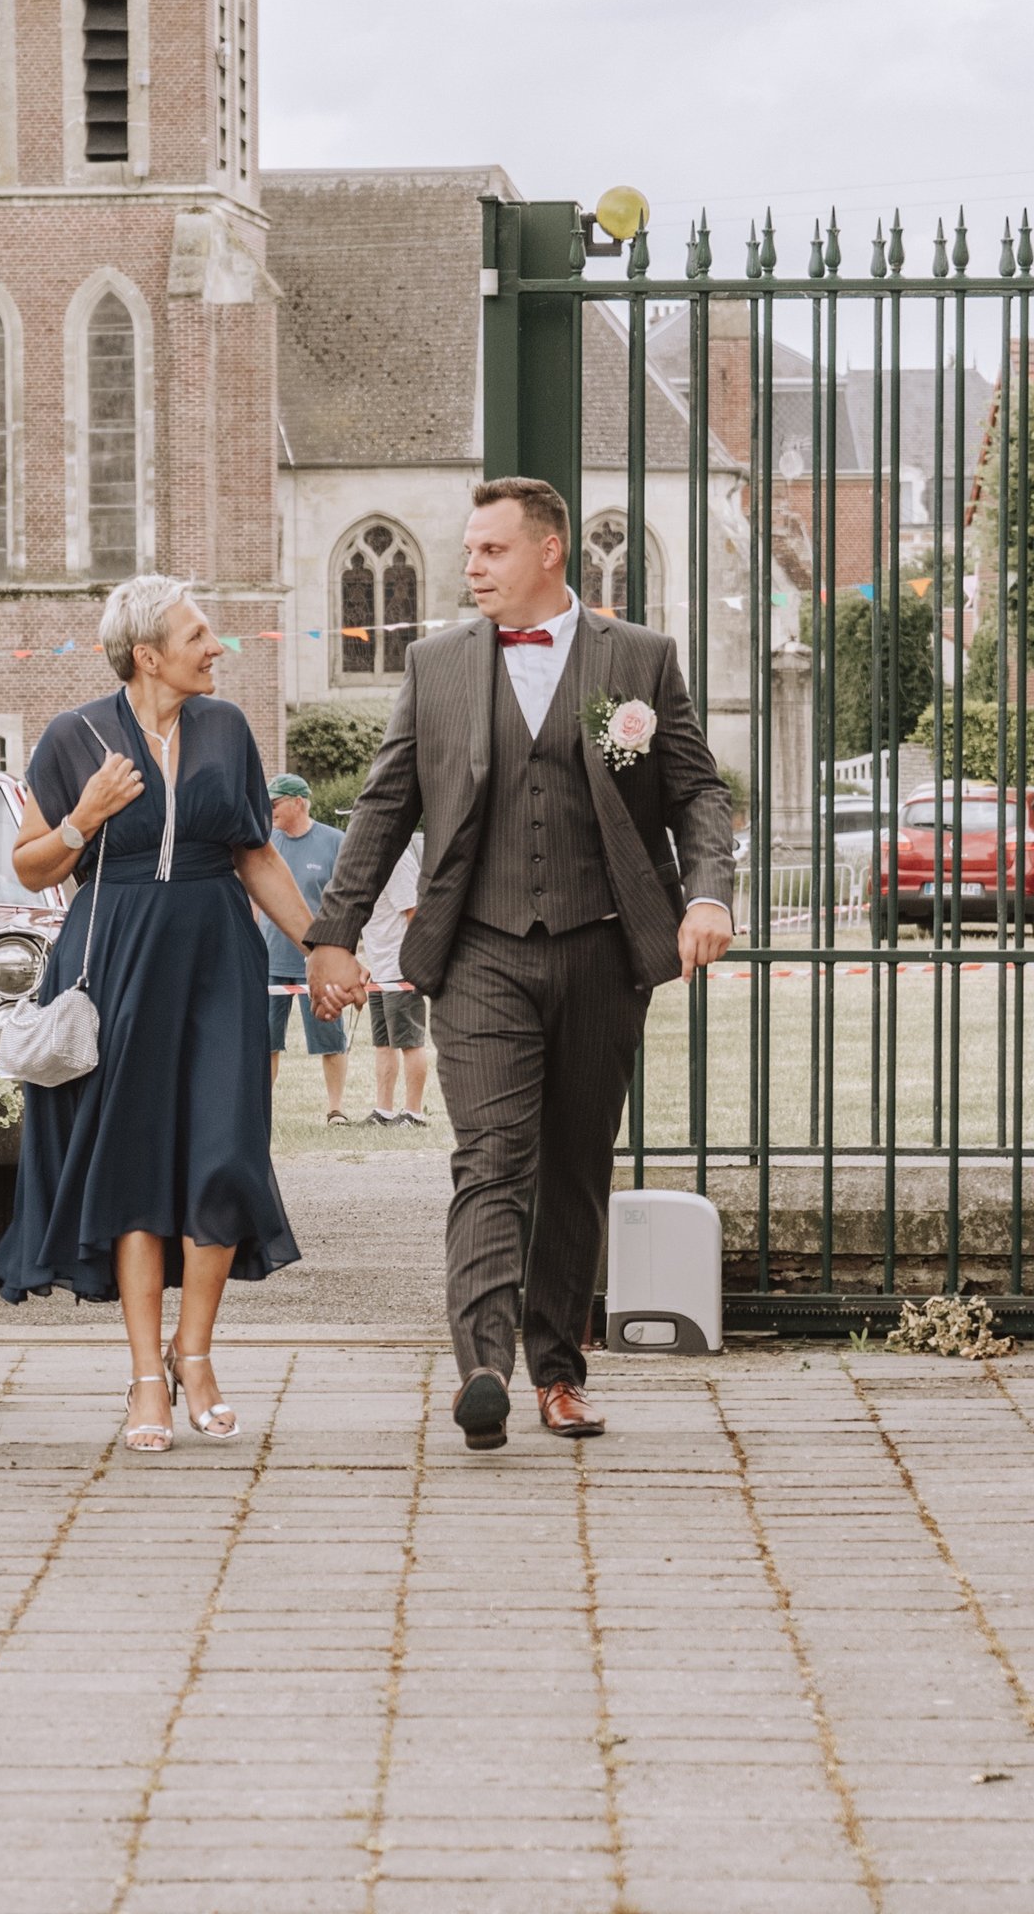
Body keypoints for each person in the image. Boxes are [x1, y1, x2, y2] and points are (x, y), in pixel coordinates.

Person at [307, 478, 733, 1448]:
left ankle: (560, 1372)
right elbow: (383, 809)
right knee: (492, 1159)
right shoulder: (436, 665)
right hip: (481, 950)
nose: (472, 568)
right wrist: (335, 930)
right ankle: (485, 1366)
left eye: (491, 551)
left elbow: (696, 792)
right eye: (469, 552)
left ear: (550, 551)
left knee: (577, 1168)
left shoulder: (641, 659)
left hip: (603, 946)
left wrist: (706, 894)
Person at [0, 575, 311, 1454]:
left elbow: (256, 856)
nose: (217, 648)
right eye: (200, 634)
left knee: (224, 1155)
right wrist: (84, 819)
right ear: (149, 654)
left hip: (217, 960)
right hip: (117, 959)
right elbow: (30, 870)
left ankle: (194, 1353)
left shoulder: (229, 730)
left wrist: (322, 945)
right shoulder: (73, 737)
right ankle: (144, 1379)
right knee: (134, 1169)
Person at [261, 774, 351, 1126]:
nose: (270, 811)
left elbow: (344, 901)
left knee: (330, 1037)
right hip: (269, 958)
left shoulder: (334, 841)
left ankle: (336, 1109)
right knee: (265, 1041)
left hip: (317, 960)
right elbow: (256, 899)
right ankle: (262, 1110)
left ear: (299, 802)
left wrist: (337, 951)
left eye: (275, 803)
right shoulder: (266, 843)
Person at [361, 837, 429, 1128]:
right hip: (378, 968)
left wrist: (416, 961)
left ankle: (413, 1113)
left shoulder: (396, 859)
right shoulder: (366, 862)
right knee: (383, 1044)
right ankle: (384, 1111)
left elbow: (414, 910)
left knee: (410, 1042)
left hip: (400, 967)